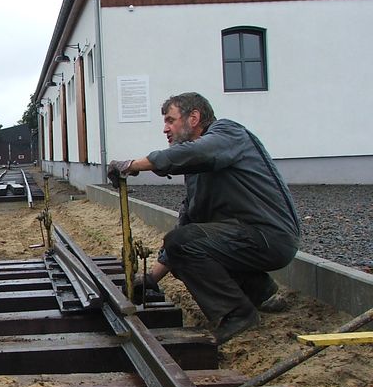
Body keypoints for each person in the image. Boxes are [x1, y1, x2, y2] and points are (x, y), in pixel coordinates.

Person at [107, 92, 300, 344]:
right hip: (247, 238)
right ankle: (259, 291)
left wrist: (132, 164)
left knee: (183, 244)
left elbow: (190, 154)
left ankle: (238, 314)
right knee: (182, 244)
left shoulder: (228, 134)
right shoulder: (199, 167)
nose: (165, 129)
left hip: (272, 238)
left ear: (194, 117)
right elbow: (189, 220)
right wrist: (152, 277)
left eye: (170, 120)